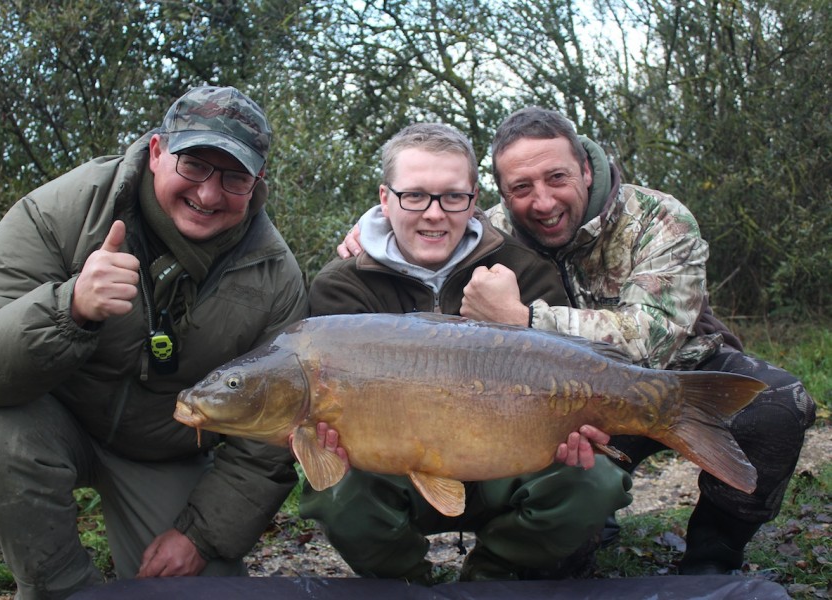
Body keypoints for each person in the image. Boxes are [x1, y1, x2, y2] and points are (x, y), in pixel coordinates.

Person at [0, 86, 320, 599]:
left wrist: (199, 536)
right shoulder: (61, 211)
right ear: (158, 152)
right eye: (194, 166)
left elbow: (268, 437)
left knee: (200, 590)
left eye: (233, 177)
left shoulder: (276, 275)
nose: (209, 194)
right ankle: (64, 591)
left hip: (169, 452)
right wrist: (68, 308)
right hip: (56, 422)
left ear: (257, 183)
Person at [457, 107, 817, 574]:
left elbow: (649, 342)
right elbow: (424, 228)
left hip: (681, 372)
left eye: (557, 178)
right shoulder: (491, 233)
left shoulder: (658, 217)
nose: (543, 202)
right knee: (556, 565)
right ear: (504, 194)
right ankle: (588, 519)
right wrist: (374, 228)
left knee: (777, 406)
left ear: (587, 169)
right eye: (521, 188)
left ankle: (715, 554)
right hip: (562, 400)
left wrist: (526, 320)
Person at [302, 122, 633, 585]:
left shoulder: (525, 270)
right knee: (336, 487)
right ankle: (411, 585)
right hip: (397, 468)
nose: (434, 214)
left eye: (452, 197)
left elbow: (565, 365)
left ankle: (492, 578)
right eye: (414, 196)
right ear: (384, 198)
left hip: (509, 458)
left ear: (474, 200)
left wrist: (575, 425)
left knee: (592, 481)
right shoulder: (342, 286)